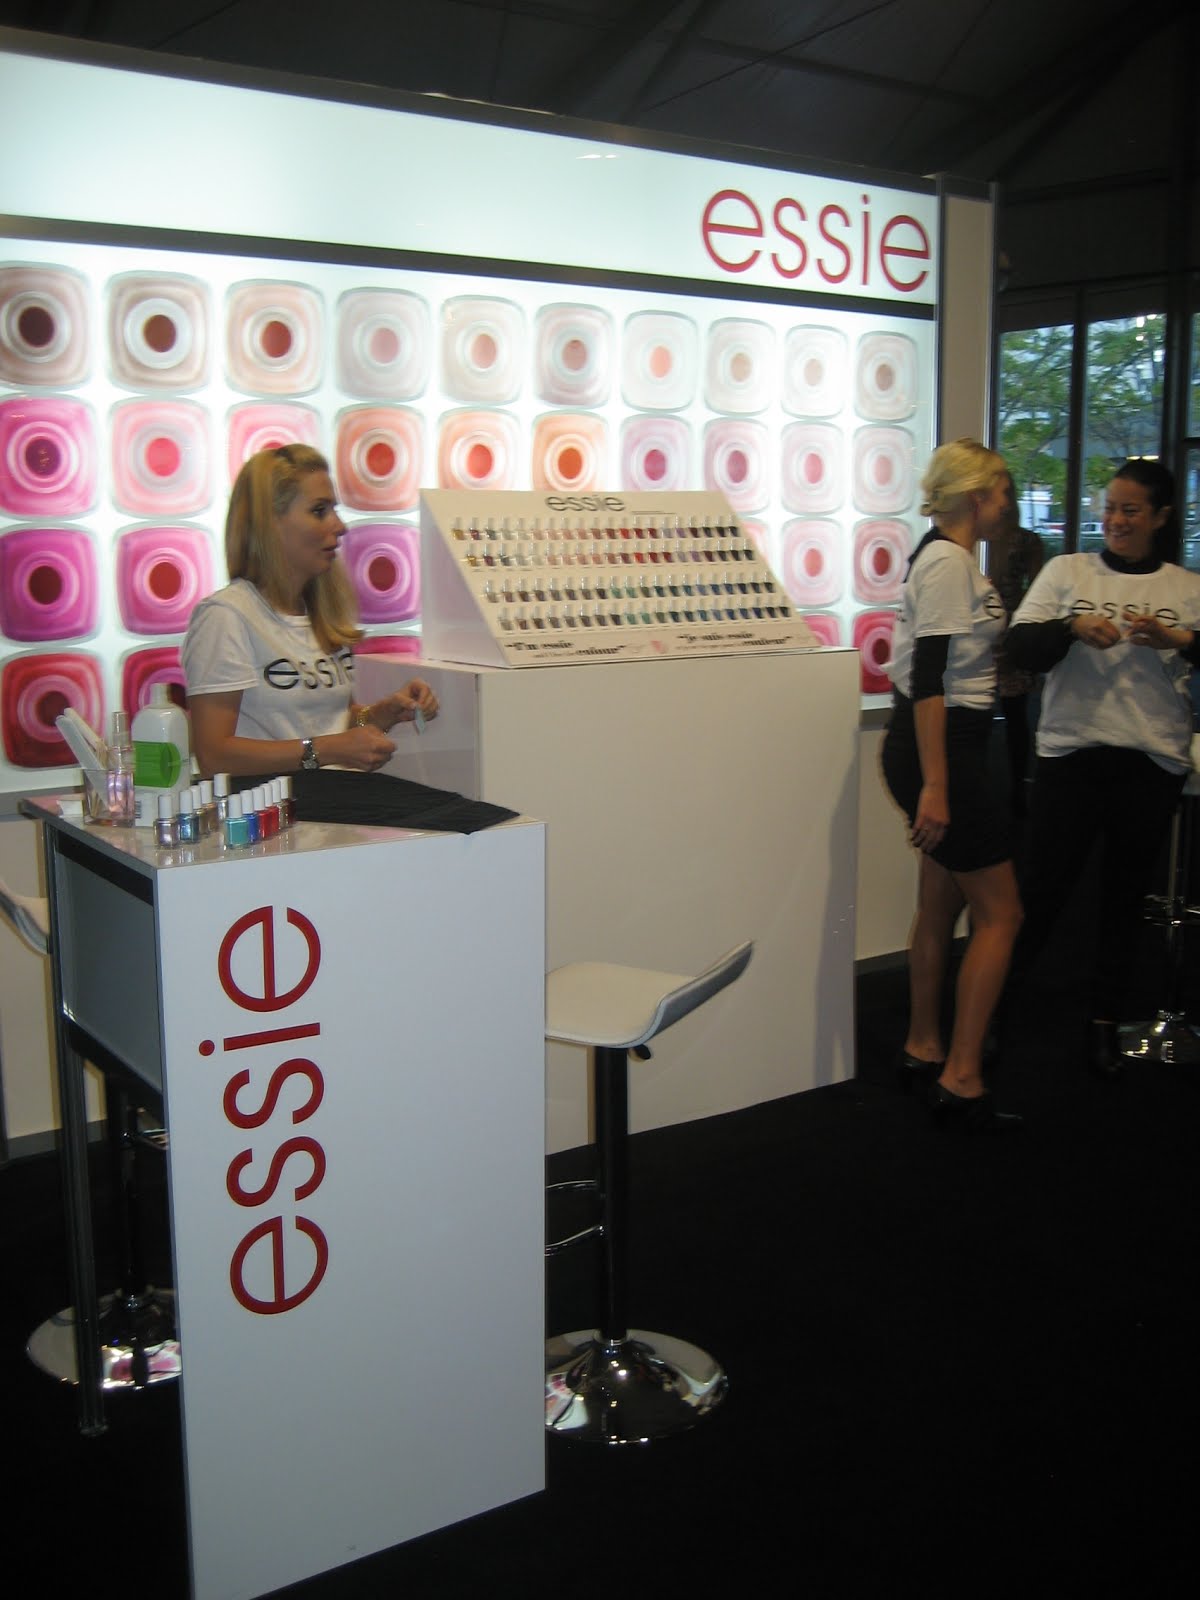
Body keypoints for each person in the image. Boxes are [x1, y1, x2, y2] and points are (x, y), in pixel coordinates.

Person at [1004, 458, 1200, 1076]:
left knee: (1123, 898)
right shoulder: (1067, 571)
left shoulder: (1185, 588)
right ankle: (994, 1013)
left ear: (1160, 517)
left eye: (1130, 510)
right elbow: (1020, 646)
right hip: (1071, 754)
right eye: (1110, 507)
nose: (1115, 520)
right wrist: (1070, 626)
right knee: (1041, 891)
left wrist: (1176, 640)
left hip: (1151, 758)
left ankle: (1104, 1024)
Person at [880, 438, 1024, 1129]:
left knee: (940, 900)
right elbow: (929, 679)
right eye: (1004, 492)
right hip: (946, 750)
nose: (1008, 504)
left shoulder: (947, 559)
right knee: (1003, 914)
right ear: (977, 496)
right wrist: (937, 786)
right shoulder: (947, 563)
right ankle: (962, 1076)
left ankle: (924, 1045)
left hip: (942, 746)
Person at [183, 444, 438, 777]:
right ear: (270, 524)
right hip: (274, 805)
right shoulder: (226, 617)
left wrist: (381, 714)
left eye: (333, 510)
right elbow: (215, 756)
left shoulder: (320, 615)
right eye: (319, 511)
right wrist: (329, 750)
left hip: (333, 798)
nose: (340, 526)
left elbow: (326, 723)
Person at [988, 476, 1044, 817]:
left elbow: (1037, 586)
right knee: (1009, 714)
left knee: (1013, 714)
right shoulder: (995, 539)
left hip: (1009, 627)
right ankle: (1012, 788)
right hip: (997, 625)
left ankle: (1016, 787)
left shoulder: (1019, 540)